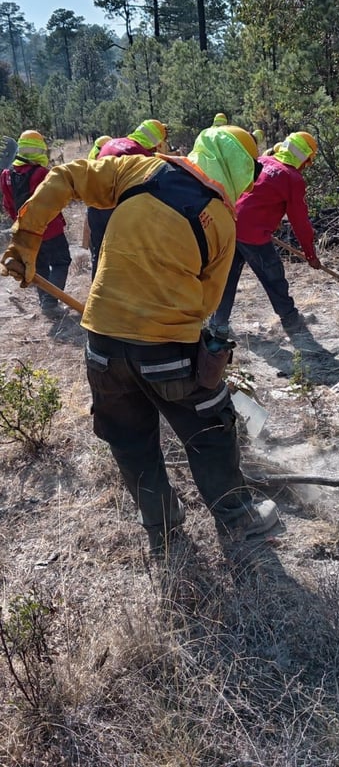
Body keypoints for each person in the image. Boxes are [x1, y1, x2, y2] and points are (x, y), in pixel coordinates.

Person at [1, 125, 279, 555]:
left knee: (129, 439)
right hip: (169, 352)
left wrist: (25, 238)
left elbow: (65, 178)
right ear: (240, 175)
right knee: (211, 429)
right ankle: (238, 519)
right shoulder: (223, 220)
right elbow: (207, 301)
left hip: (102, 347)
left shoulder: (138, 170)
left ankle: (161, 526)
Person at [209, 131, 321, 340]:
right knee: (273, 277)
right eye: (309, 160)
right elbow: (300, 222)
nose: (308, 165)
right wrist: (310, 254)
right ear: (304, 157)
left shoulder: (262, 160)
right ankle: (291, 321)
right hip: (252, 236)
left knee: (227, 278)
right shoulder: (292, 178)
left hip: (230, 225)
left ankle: (218, 325)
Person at [0, 129, 71, 317]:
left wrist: (21, 223)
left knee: (38, 265)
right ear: (39, 151)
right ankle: (50, 302)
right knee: (61, 261)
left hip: (25, 231)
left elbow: (8, 205)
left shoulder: (6, 174)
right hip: (50, 230)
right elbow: (54, 201)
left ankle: (45, 302)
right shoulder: (42, 173)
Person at [87, 119, 167, 278]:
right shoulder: (142, 156)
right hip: (117, 210)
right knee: (125, 255)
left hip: (95, 205)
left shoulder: (112, 143)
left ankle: (97, 296)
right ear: (155, 142)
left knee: (99, 252)